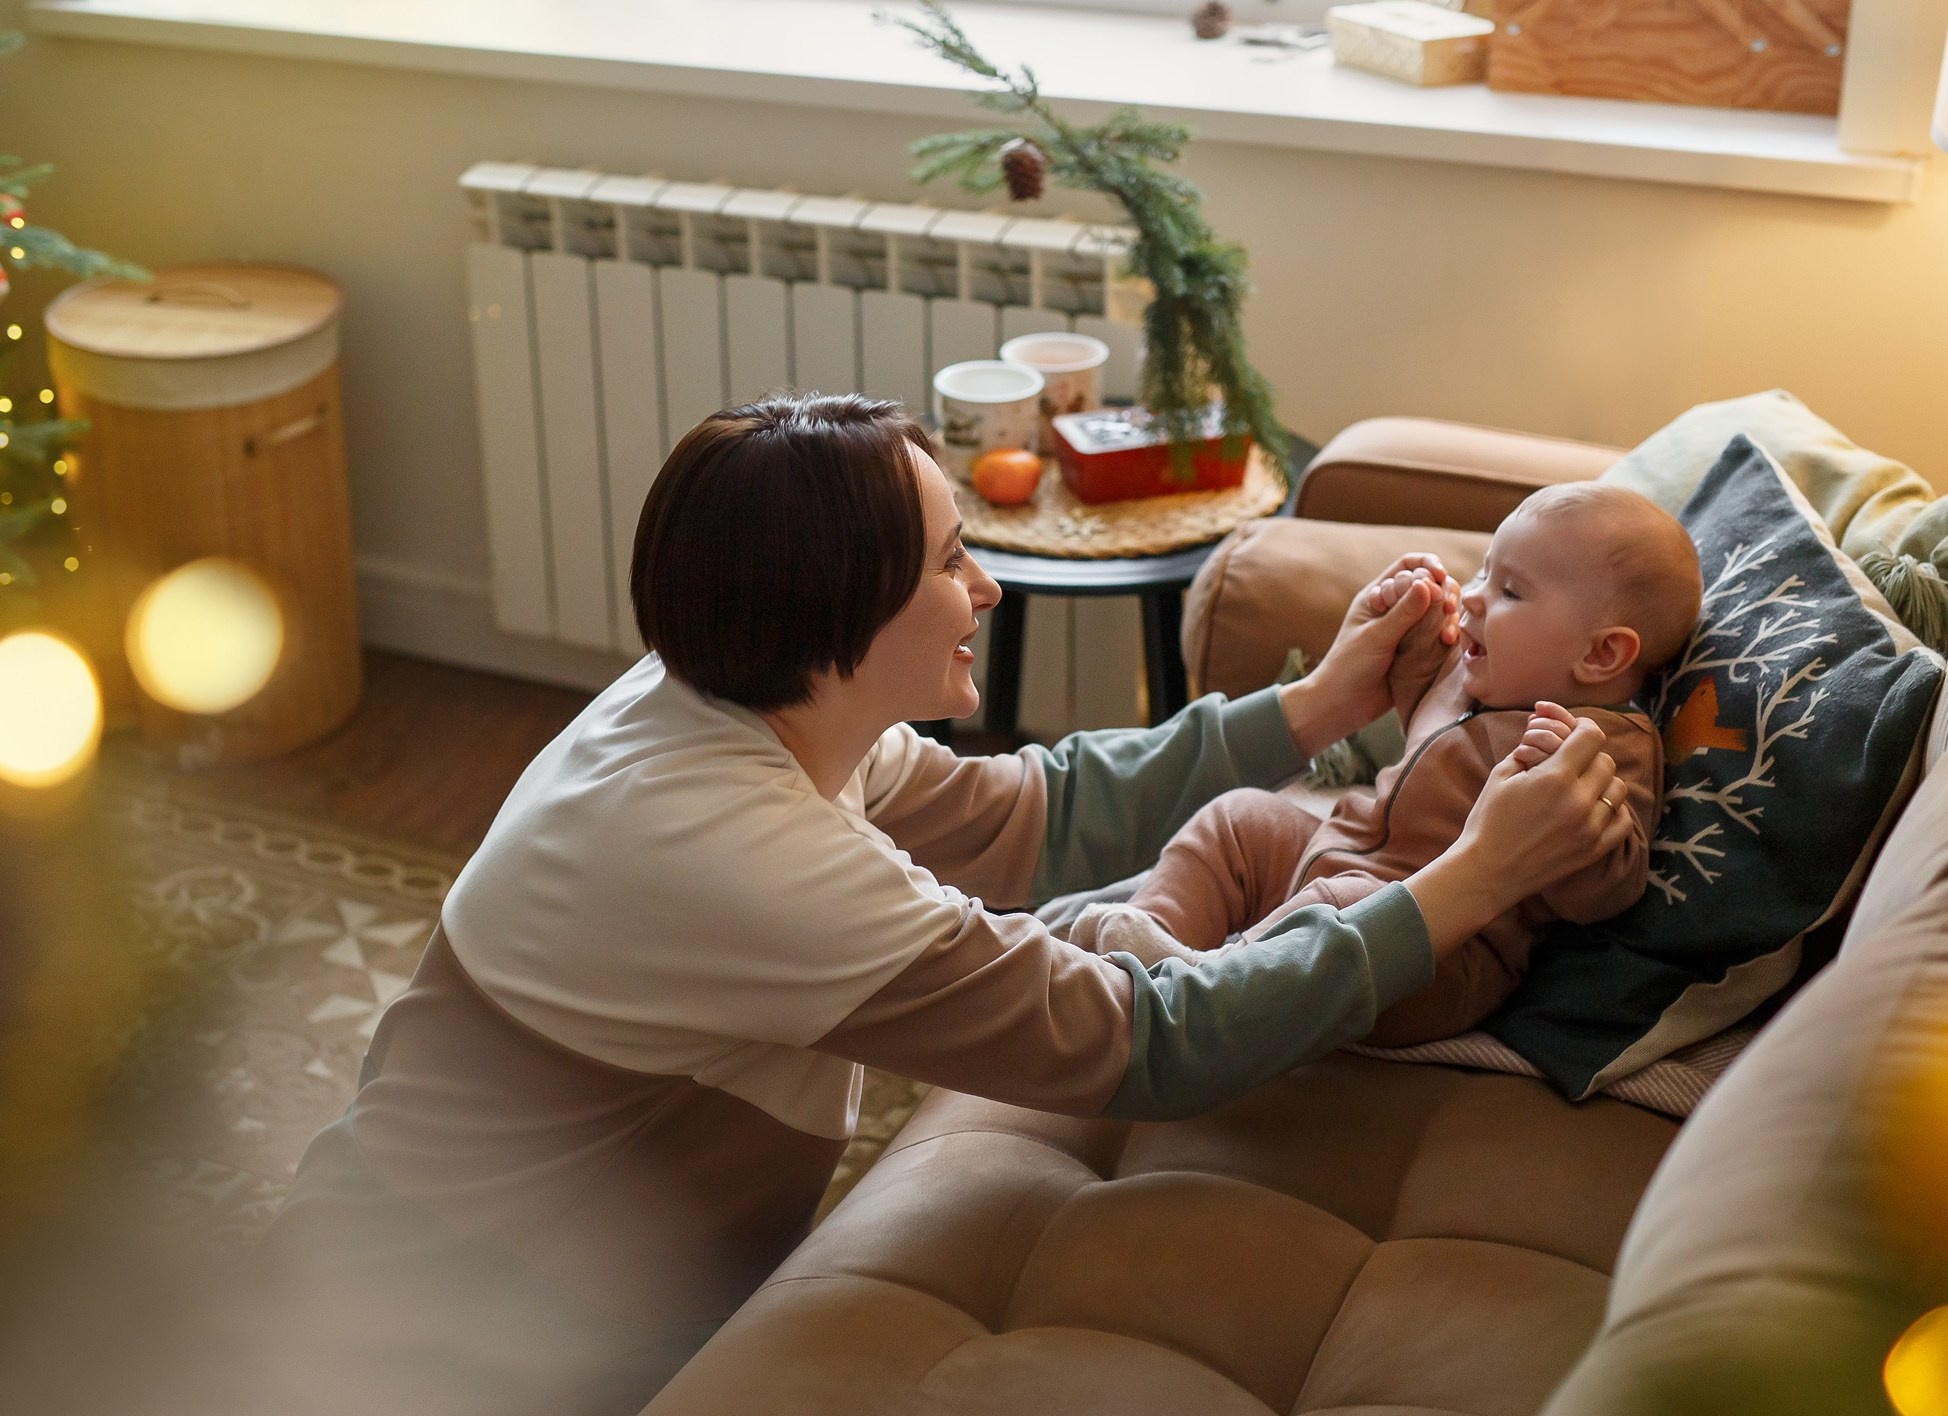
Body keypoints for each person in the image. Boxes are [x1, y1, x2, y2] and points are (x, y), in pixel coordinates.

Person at [253, 394, 1635, 1416]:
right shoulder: (733, 854)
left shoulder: (735, 697)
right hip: (460, 1347)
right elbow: (1156, 1047)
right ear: (832, 609)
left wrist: (1316, 705)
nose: (982, 586)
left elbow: (1027, 816)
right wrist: (1476, 879)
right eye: (944, 560)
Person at [1073, 482, 1702, 1046]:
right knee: (1240, 818)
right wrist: (1409, 627)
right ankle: (1145, 940)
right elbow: (1421, 731)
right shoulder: (1474, 675)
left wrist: (1580, 832)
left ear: (1601, 656)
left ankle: (1203, 991)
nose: (1477, 597)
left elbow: (1611, 890)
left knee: (1340, 900)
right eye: (1484, 572)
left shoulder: (1602, 749)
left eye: (1510, 591)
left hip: (1437, 954)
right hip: (1333, 851)